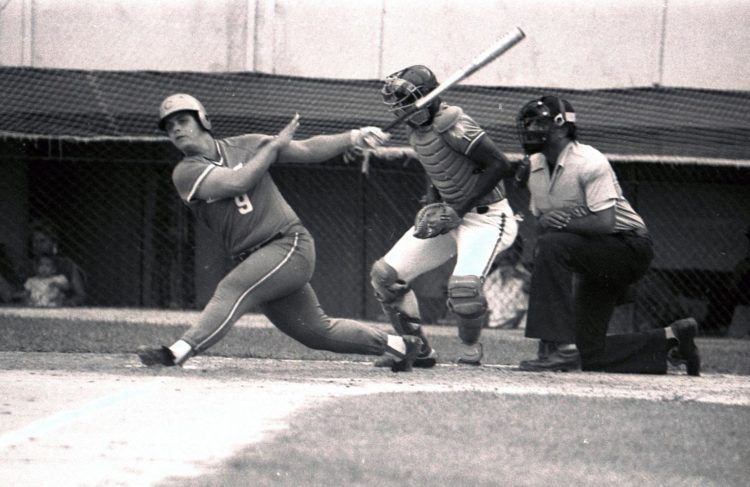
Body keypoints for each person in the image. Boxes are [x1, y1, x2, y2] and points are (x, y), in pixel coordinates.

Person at [136, 93, 422, 371]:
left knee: (231, 289)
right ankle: (403, 346)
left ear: (203, 121)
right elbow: (238, 182)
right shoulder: (185, 172)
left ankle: (177, 353)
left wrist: (354, 136)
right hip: (257, 259)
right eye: (169, 126)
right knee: (316, 332)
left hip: (288, 244)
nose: (175, 128)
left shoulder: (246, 144)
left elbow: (308, 149)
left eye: (183, 120)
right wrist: (271, 148)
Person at [514, 95, 700, 375]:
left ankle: (558, 348)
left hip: (628, 247)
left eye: (538, 123)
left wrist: (558, 225)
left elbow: (604, 222)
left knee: (551, 244)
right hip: (593, 253)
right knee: (589, 355)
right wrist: (550, 223)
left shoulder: (589, 160)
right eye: (527, 124)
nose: (530, 130)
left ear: (563, 128)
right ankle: (673, 342)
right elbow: (542, 223)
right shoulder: (534, 166)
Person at [370, 65, 520, 367]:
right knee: (385, 277)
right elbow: (442, 169)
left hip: (486, 217)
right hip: (450, 214)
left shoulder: (454, 123)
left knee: (464, 289)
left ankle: (471, 348)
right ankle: (418, 350)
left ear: (427, 96)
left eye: (407, 100)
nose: (402, 108)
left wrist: (458, 210)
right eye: (398, 102)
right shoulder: (418, 130)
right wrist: (434, 200)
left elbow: (499, 164)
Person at [701, 225, 750, 336]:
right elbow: (733, 284)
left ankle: (715, 325)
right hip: (743, 295)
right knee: (720, 293)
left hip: (743, 295)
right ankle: (714, 326)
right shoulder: (744, 264)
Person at [23, 220, 86, 306]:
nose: (37, 245)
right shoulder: (27, 266)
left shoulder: (66, 264)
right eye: (34, 241)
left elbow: (80, 295)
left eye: (42, 241)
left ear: (53, 243)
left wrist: (65, 304)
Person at [484, 236, 531, 329]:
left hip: (517, 331)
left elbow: (521, 315)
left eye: (510, 250)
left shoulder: (526, 279)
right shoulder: (490, 278)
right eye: (502, 250)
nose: (506, 254)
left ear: (518, 252)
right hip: (491, 329)